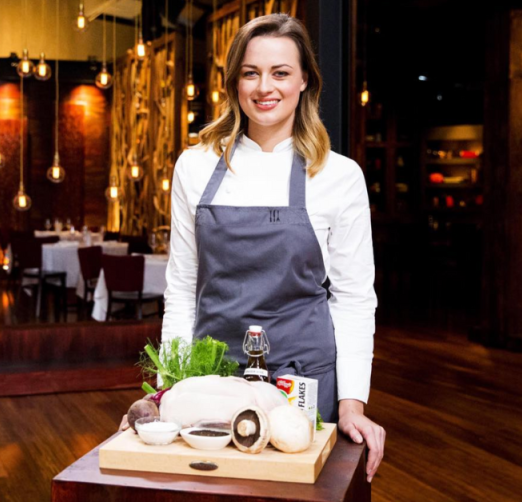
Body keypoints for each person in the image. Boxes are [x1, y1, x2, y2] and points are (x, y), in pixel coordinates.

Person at [150, 14, 385, 481]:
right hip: (211, 382)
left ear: (304, 82)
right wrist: (167, 393)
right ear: (235, 82)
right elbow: (180, 288)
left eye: (280, 72)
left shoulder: (339, 176)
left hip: (304, 385)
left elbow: (355, 299)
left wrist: (353, 403)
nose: (264, 87)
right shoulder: (194, 167)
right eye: (251, 72)